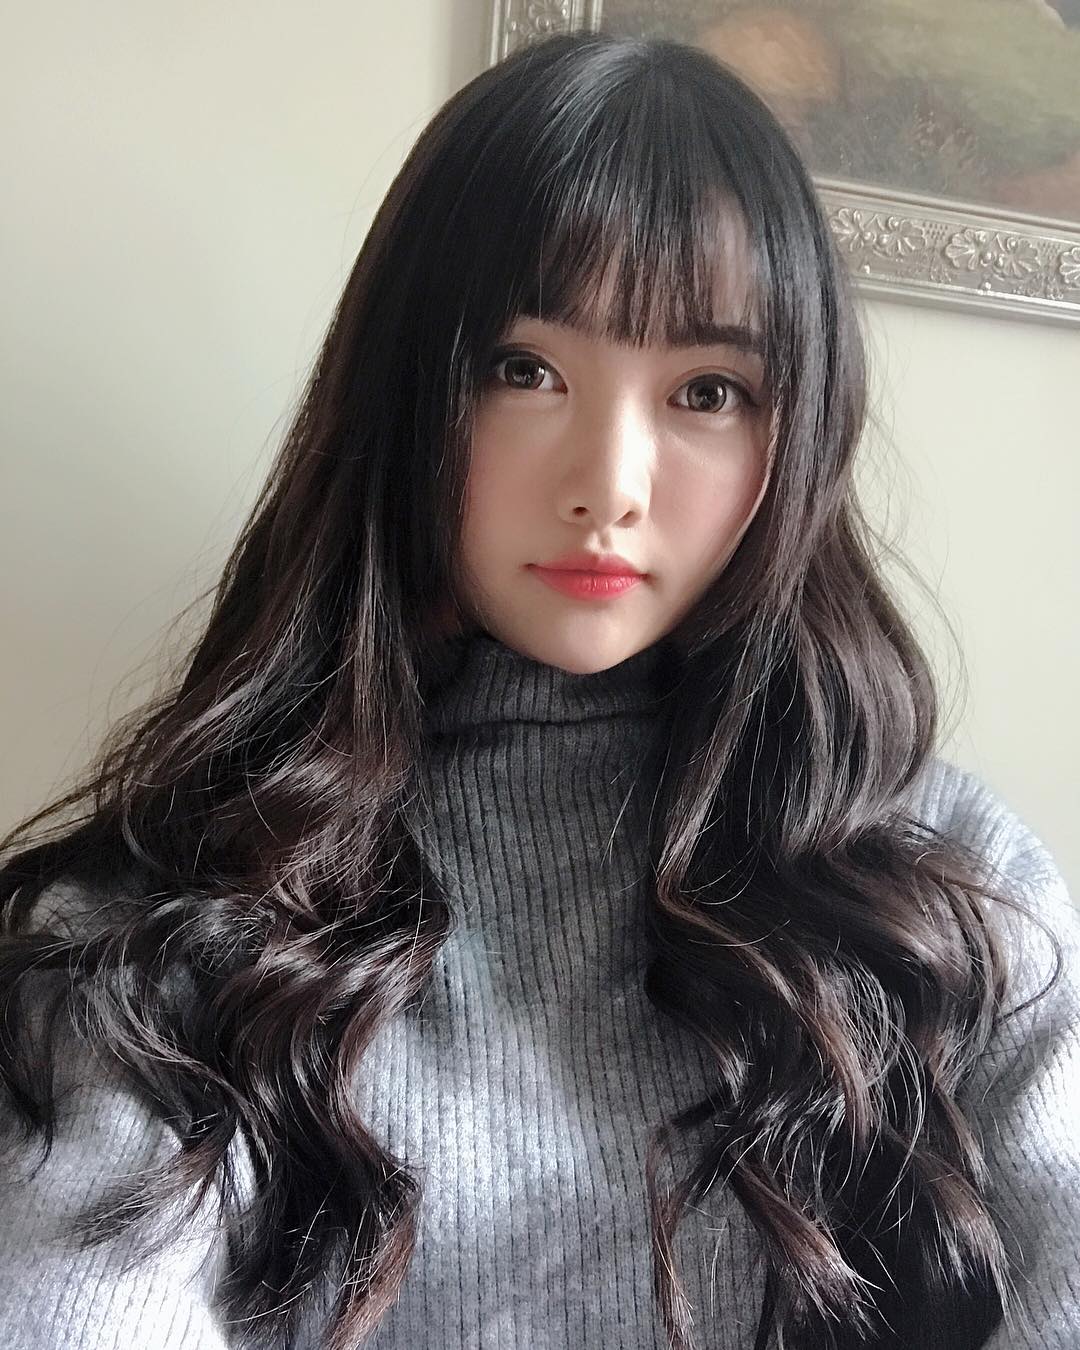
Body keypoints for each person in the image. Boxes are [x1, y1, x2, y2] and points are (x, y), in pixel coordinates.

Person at [0, 29, 1077, 1350]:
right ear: (406, 390)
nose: (608, 484)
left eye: (707, 390)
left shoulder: (948, 885)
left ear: (797, 431)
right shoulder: (174, 917)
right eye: (525, 370)